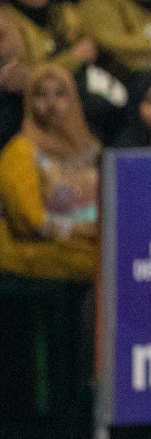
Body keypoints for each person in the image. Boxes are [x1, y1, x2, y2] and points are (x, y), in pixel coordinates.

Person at [0, 64, 99, 282]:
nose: (52, 104)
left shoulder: (93, 150)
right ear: (29, 102)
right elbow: (31, 221)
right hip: (40, 266)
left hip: (88, 256)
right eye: (41, 95)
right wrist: (81, 233)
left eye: (60, 94)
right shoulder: (21, 151)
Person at [1, 0, 98, 79]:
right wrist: (72, 59)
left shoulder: (67, 12)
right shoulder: (5, 23)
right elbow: (20, 80)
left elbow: (90, 47)